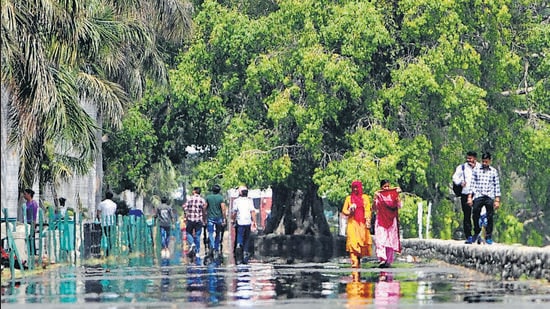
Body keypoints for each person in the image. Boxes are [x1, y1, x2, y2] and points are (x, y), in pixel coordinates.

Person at [467, 152, 501, 245]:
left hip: (489, 195)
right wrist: (470, 197)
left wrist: (497, 200)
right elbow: (472, 184)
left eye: (486, 162)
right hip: (478, 195)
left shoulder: (493, 171)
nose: (484, 163)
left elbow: (496, 185)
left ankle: (488, 236)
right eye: (483, 162)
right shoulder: (476, 170)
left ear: (490, 161)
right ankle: (477, 231)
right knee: (475, 214)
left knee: (490, 216)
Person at [341, 180, 373, 268]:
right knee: (352, 242)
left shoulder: (365, 197)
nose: (355, 189)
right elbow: (344, 210)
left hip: (362, 224)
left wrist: (368, 220)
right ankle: (354, 261)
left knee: (361, 243)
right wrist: (350, 211)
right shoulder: (348, 198)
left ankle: (358, 259)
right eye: (353, 187)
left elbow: (367, 210)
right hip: (352, 223)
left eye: (357, 187)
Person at [452, 151, 481, 244]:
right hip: (465, 193)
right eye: (467, 158)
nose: (468, 160)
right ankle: (468, 236)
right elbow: (455, 178)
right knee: (467, 215)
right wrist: (460, 182)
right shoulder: (462, 168)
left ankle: (477, 233)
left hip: (477, 194)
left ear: (475, 158)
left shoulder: (480, 167)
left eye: (470, 158)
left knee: (476, 214)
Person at [373, 180, 402, 268]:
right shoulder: (379, 196)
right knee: (380, 240)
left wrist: (397, 196)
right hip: (381, 221)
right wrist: (375, 198)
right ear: (381, 187)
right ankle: (382, 259)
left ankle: (388, 260)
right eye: (384, 187)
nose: (386, 188)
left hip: (391, 221)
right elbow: (374, 208)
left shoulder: (393, 196)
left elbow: (399, 206)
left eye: (388, 186)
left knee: (390, 241)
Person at [231, 186, 257, 264]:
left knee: (240, 235)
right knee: (247, 237)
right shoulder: (250, 201)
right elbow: (252, 211)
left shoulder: (236, 201)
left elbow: (234, 212)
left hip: (240, 221)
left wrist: (233, 220)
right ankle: (245, 251)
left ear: (241, 193)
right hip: (247, 221)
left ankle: (239, 245)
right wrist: (254, 221)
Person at [205, 184, 227, 262]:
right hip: (219, 218)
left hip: (210, 218)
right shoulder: (221, 198)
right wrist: (224, 218)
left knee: (210, 233)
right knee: (218, 233)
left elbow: (205, 207)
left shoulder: (208, 197)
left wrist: (205, 216)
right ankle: (216, 248)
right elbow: (223, 209)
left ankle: (212, 246)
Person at [182, 187, 206, 260]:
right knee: (198, 235)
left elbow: (184, 207)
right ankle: (197, 252)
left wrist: (186, 215)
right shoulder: (202, 200)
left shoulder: (189, 199)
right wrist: (204, 219)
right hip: (199, 220)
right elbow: (204, 209)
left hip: (190, 219)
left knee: (188, 232)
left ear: (194, 191)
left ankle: (192, 243)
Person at [96, 191, 117, 256]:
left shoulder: (101, 204)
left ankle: (98, 251)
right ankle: (109, 252)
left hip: (103, 223)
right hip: (111, 223)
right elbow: (113, 213)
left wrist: (99, 220)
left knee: (100, 237)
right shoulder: (114, 204)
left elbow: (98, 213)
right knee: (110, 238)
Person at [22, 188, 39, 255]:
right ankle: (28, 253)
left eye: (25, 194)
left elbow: (34, 216)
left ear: (29, 194)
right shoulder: (25, 204)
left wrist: (33, 225)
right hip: (26, 223)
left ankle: (33, 253)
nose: (24, 195)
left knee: (31, 238)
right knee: (27, 239)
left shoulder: (33, 203)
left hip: (31, 222)